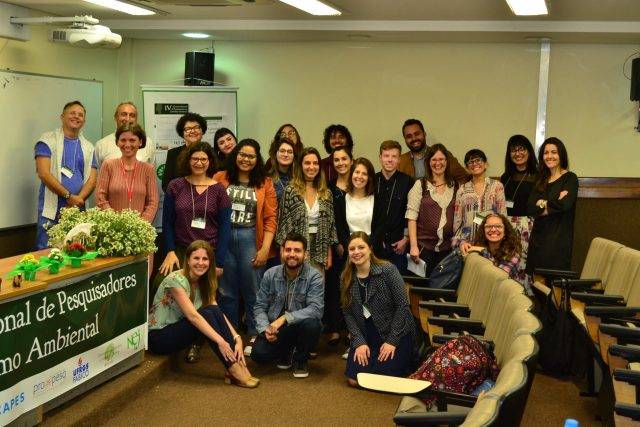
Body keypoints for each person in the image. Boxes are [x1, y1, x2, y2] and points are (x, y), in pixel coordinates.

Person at [148, 240, 259, 388]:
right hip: (159, 338)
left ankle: (236, 365)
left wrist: (236, 337)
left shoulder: (204, 281)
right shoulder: (175, 280)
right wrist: (221, 341)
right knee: (206, 314)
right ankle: (233, 368)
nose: (201, 263)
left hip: (179, 331)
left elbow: (217, 312)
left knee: (212, 310)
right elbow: (193, 317)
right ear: (188, 260)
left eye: (205, 259)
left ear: (210, 262)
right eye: (196, 258)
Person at [213, 139, 277, 356]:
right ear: (235, 155)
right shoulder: (220, 178)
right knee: (226, 292)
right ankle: (231, 335)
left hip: (251, 237)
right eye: (242, 154)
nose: (246, 159)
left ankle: (254, 335)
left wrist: (265, 248)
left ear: (257, 159)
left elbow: (270, 218)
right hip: (224, 238)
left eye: (251, 156)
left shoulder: (265, 183)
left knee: (254, 291)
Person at [341, 231, 415, 387]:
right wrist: (359, 342)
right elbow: (347, 313)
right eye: (352, 249)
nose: (356, 252)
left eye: (361, 247)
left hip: (395, 332)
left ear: (370, 249)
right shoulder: (345, 277)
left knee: (383, 377)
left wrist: (392, 341)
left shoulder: (387, 270)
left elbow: (402, 306)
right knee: (354, 380)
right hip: (366, 335)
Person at [251, 233, 324, 378]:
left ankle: (301, 358)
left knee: (313, 324)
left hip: (300, 326)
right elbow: (259, 306)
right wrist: (265, 329)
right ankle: (286, 351)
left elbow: (316, 309)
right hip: (276, 329)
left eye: (297, 250)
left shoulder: (314, 276)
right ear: (282, 252)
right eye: (288, 250)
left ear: (305, 254)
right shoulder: (270, 274)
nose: (292, 254)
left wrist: (285, 318)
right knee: (259, 355)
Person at [34, 100, 97, 249]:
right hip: (52, 211)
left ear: (84, 121)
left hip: (77, 210)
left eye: (80, 115)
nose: (76, 117)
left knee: (75, 252)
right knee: (47, 252)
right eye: (72, 113)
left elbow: (92, 179)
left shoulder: (89, 147)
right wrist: (69, 196)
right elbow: (44, 173)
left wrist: (77, 200)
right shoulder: (47, 141)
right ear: (62, 117)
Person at [277, 147, 338, 273]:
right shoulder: (291, 191)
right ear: (301, 166)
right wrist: (283, 252)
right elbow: (283, 225)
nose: (311, 167)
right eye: (307, 163)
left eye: (315, 163)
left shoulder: (326, 193)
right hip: (295, 249)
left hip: (320, 249)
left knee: (316, 284)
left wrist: (329, 253)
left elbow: (330, 227)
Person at [526, 137, 579, 273]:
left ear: (561, 155)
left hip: (558, 240)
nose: (549, 156)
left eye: (554, 152)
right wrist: (552, 203)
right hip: (538, 240)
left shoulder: (570, 178)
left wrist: (542, 203)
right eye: (546, 153)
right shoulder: (540, 179)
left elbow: (564, 205)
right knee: (537, 282)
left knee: (555, 282)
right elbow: (530, 208)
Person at [406, 144, 458, 276]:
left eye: (441, 159)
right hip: (423, 249)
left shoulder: (455, 186)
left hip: (447, 252)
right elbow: (412, 217)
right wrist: (413, 246)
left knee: (442, 287)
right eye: (434, 160)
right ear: (428, 162)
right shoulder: (421, 185)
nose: (437, 163)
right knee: (420, 286)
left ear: (447, 161)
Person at [96, 123, 159, 222]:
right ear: (117, 142)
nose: (127, 144)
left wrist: (141, 225)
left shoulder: (148, 169)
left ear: (140, 142)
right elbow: (100, 197)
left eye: (132, 140)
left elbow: (153, 202)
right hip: (112, 226)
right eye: (123, 140)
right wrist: (116, 223)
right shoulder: (108, 165)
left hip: (140, 228)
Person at [371, 140, 414, 273]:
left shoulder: (408, 181)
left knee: (397, 283)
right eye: (386, 156)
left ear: (399, 159)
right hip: (374, 245)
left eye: (394, 156)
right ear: (380, 157)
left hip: (398, 246)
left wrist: (406, 239)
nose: (390, 160)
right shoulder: (371, 180)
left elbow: (411, 212)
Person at [500, 135, 538, 287]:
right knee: (506, 268)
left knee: (523, 268)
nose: (517, 153)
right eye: (513, 150)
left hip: (528, 229)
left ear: (529, 151)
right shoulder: (506, 177)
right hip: (507, 228)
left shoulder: (538, 176)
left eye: (521, 149)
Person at [325, 145, 354, 346]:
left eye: (344, 159)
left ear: (351, 161)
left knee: (353, 287)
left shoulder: (359, 183)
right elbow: (328, 218)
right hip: (335, 246)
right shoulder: (328, 187)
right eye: (336, 160)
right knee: (334, 286)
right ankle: (334, 328)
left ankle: (353, 329)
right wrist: (336, 243)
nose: (341, 163)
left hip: (356, 245)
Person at [452, 149, 507, 247]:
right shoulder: (462, 190)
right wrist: (461, 242)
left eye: (478, 160)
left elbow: (502, 215)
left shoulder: (497, 186)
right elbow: (457, 220)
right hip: (468, 243)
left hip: (493, 240)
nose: (475, 164)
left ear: (486, 164)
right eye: (470, 162)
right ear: (467, 168)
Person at [398, 118, 468, 182]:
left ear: (424, 134)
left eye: (417, 134)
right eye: (409, 136)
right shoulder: (400, 162)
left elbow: (464, 178)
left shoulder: (443, 155)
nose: (414, 138)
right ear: (405, 139)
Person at [460, 213, 522, 277]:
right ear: (483, 231)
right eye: (488, 226)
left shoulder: (513, 255)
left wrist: (483, 251)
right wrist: (463, 244)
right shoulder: (479, 244)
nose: (493, 230)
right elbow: (458, 241)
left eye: (498, 226)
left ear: (505, 232)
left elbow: (497, 276)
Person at [162, 112, 210, 192]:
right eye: (188, 129)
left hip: (207, 197)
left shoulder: (211, 152)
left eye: (196, 127)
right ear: (182, 133)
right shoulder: (173, 154)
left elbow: (216, 179)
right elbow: (166, 184)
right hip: (179, 197)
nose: (193, 131)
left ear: (202, 131)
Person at [94, 102, 154, 167]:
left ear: (136, 119)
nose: (127, 119)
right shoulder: (101, 145)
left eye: (132, 115)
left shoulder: (148, 143)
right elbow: (97, 172)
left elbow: (152, 171)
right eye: (124, 115)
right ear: (116, 117)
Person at [335, 157, 376, 251]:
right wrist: (352, 248)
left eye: (364, 174)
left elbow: (380, 228)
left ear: (369, 178)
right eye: (357, 172)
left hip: (372, 250)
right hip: (350, 250)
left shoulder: (377, 200)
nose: (359, 176)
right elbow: (340, 229)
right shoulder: (341, 200)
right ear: (351, 174)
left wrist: (367, 248)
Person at [266, 137, 296, 203]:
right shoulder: (267, 179)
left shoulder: (299, 178)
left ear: (294, 156)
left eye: (290, 152)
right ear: (276, 154)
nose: (286, 155)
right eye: (282, 151)